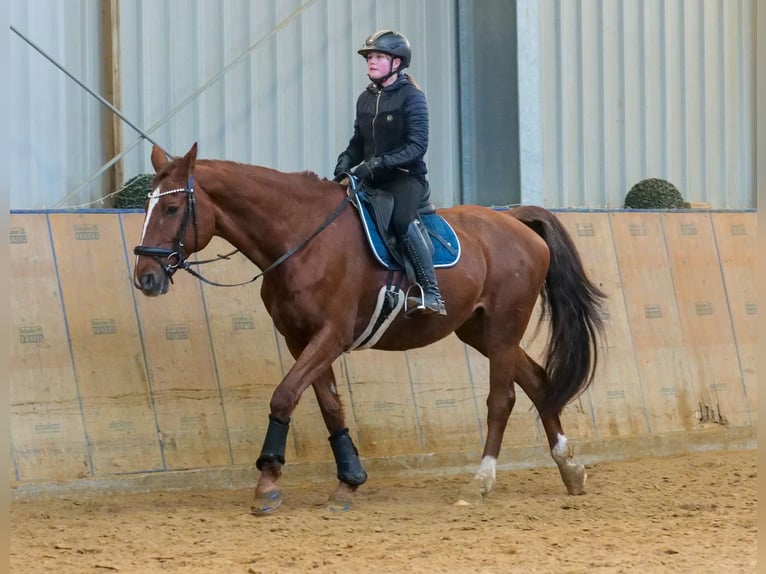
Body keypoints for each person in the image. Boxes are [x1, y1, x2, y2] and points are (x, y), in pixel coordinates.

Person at [334, 30, 447, 316]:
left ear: (396, 62)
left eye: (378, 57)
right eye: (369, 57)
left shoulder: (412, 98)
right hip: (371, 179)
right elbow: (358, 143)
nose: (371, 62)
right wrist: (345, 161)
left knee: (401, 221)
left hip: (406, 178)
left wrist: (377, 164)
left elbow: (417, 146)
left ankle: (432, 293)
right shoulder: (365, 99)